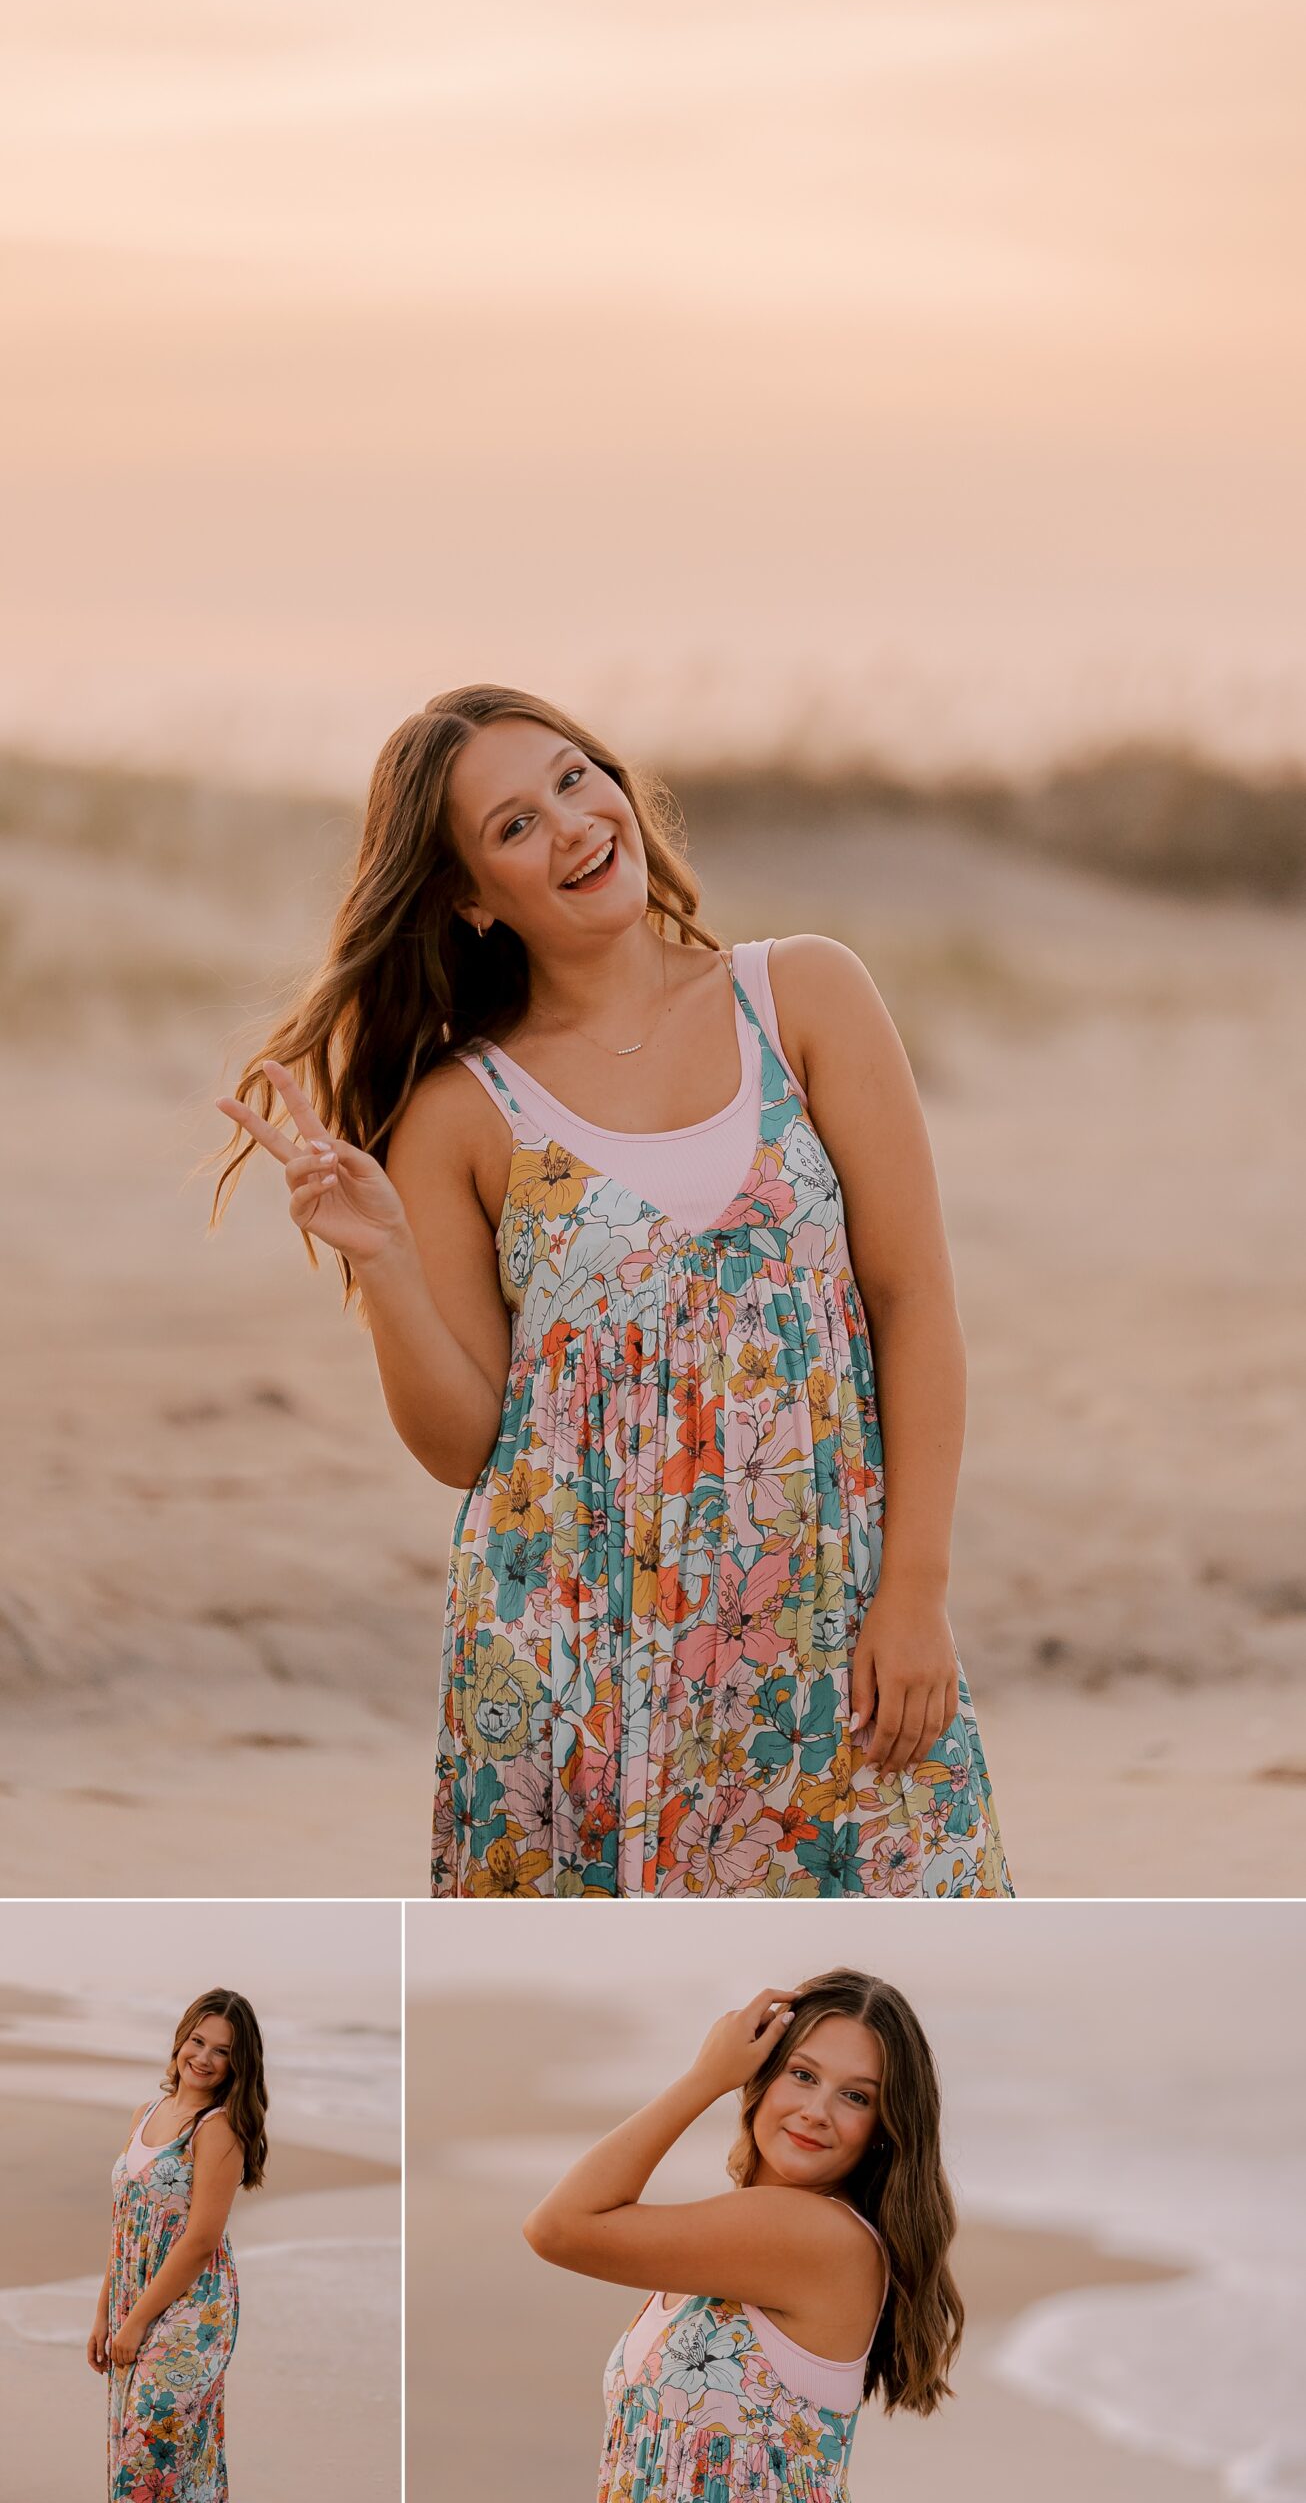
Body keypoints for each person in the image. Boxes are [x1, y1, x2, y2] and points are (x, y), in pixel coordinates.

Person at [213, 683, 1011, 1898]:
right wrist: (381, 1262)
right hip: (578, 1657)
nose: (574, 822)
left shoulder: (801, 996)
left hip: (825, 1622)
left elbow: (913, 1304)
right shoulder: (456, 1116)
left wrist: (916, 1592)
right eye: (514, 824)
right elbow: (464, 1442)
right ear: (470, 899)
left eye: (575, 777)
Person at [523, 1966, 963, 2502]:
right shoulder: (750, 2230)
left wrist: (704, 2078)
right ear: (763, 2073)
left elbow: (559, 2228)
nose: (816, 2112)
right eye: (803, 2075)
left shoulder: (813, 2233)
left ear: (883, 2126)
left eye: (856, 2097)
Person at [88, 1988, 267, 2500]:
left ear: (239, 2064)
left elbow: (201, 2240)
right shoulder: (146, 2112)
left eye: (222, 2051)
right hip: (135, 2295)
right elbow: (125, 2223)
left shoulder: (218, 2128)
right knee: (155, 2455)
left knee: (149, 2455)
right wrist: (105, 2313)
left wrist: (139, 2319)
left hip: (193, 2309)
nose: (204, 2058)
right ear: (181, 2039)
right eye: (198, 2041)